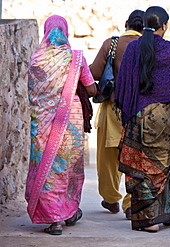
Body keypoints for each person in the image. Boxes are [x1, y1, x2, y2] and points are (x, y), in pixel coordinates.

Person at [114, 6, 170, 233]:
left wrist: (129, 111)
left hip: (138, 115)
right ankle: (166, 212)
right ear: (164, 25)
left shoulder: (132, 49)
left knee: (142, 165)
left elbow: (124, 85)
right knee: (164, 163)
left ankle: (149, 219)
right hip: (165, 116)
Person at [26, 15, 97, 235]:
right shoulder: (75, 59)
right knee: (68, 168)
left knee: (47, 169)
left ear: (46, 32)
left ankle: (53, 219)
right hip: (71, 120)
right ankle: (68, 211)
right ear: (65, 32)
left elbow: (32, 93)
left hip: (42, 122)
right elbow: (92, 89)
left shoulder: (36, 59)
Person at [89, 9, 145, 218]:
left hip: (112, 107)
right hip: (138, 109)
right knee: (134, 155)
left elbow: (94, 72)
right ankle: (131, 204)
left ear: (126, 23)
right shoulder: (146, 45)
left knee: (108, 157)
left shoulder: (111, 44)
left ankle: (111, 198)